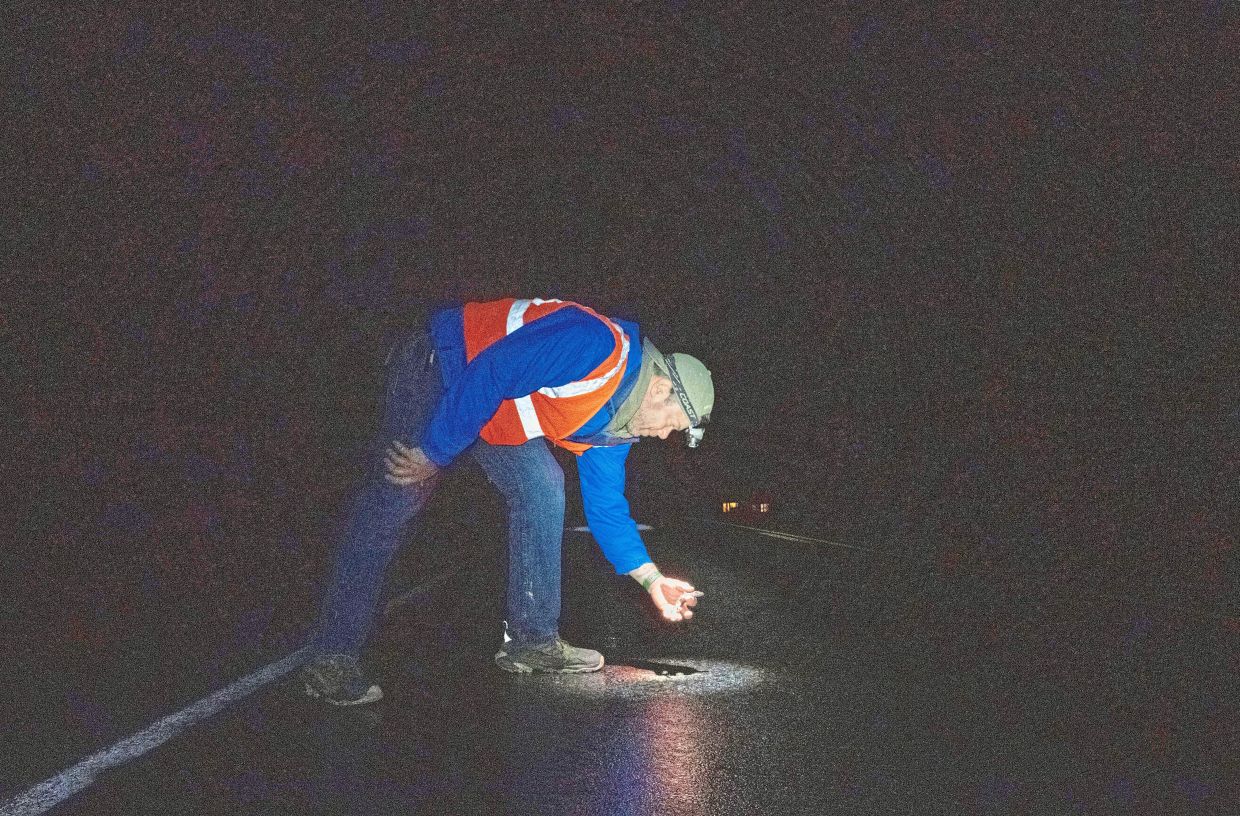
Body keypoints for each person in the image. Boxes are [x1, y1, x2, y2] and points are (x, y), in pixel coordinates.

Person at [301, 297, 714, 705]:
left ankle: (531, 641)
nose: (663, 437)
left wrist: (652, 579)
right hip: (444, 365)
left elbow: (606, 508)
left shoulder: (616, 430)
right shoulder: (594, 345)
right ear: (660, 389)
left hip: (491, 408)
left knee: (544, 486)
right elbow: (494, 369)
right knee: (399, 492)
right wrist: (435, 453)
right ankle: (331, 656)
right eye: (672, 425)